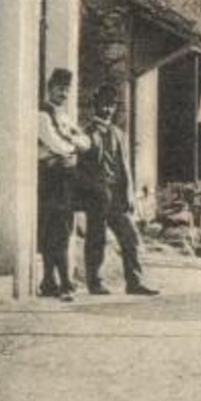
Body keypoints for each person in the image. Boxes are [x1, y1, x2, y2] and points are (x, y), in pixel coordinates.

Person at [75, 84, 158, 297]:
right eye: (103, 105)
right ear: (96, 106)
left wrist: (129, 194)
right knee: (97, 239)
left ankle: (135, 282)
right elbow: (80, 171)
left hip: (118, 197)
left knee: (130, 237)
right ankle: (95, 283)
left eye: (111, 106)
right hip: (97, 196)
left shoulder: (119, 134)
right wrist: (92, 191)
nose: (107, 110)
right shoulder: (86, 134)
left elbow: (126, 168)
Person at [36, 69, 90, 301]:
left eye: (67, 89)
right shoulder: (43, 113)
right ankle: (59, 281)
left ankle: (54, 280)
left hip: (65, 178)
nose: (63, 93)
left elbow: (86, 141)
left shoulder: (64, 116)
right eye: (59, 88)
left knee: (63, 229)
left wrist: (72, 142)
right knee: (54, 229)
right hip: (51, 176)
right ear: (50, 87)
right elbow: (55, 144)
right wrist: (71, 144)